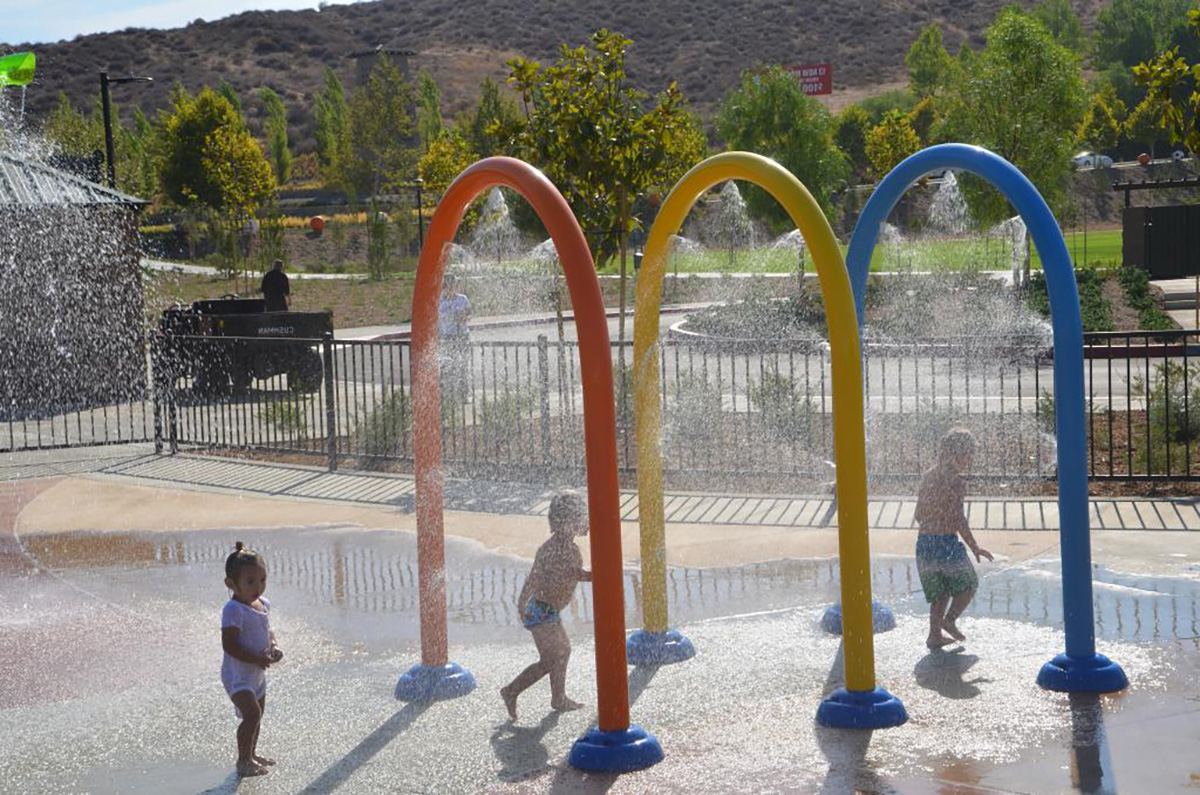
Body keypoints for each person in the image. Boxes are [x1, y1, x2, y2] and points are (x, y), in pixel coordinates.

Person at [501, 490, 592, 721]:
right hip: (540, 611)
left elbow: (568, 574)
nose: (583, 524)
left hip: (547, 611)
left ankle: (557, 698)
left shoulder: (565, 548)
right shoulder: (553, 549)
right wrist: (522, 604)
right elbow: (535, 577)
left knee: (558, 654)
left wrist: (589, 576)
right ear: (562, 522)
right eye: (579, 519)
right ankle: (513, 691)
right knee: (555, 657)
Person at [915, 429, 993, 649]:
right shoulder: (956, 482)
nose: (969, 461)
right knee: (968, 585)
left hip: (924, 545)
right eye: (968, 455)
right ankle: (949, 620)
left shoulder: (928, 476)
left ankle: (934, 635)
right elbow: (959, 518)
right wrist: (974, 547)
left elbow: (918, 514)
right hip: (946, 544)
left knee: (940, 593)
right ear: (956, 455)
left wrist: (933, 521)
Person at [220, 542, 284, 777]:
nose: (258, 587)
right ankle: (243, 761)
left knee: (259, 713)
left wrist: (274, 647)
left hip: (256, 673)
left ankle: (252, 753)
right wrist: (256, 659)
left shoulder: (263, 604)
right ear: (231, 584)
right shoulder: (233, 609)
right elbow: (229, 644)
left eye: (262, 580)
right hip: (238, 676)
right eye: (250, 582)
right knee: (252, 715)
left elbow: (267, 631)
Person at [438, 274, 471, 403]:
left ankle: (463, 394)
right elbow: (436, 320)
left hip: (461, 335)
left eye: (454, 285)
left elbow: (469, 314)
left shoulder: (462, 299)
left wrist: (464, 318)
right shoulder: (440, 301)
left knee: (462, 365)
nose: (452, 288)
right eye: (449, 286)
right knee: (446, 365)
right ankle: (446, 394)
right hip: (446, 336)